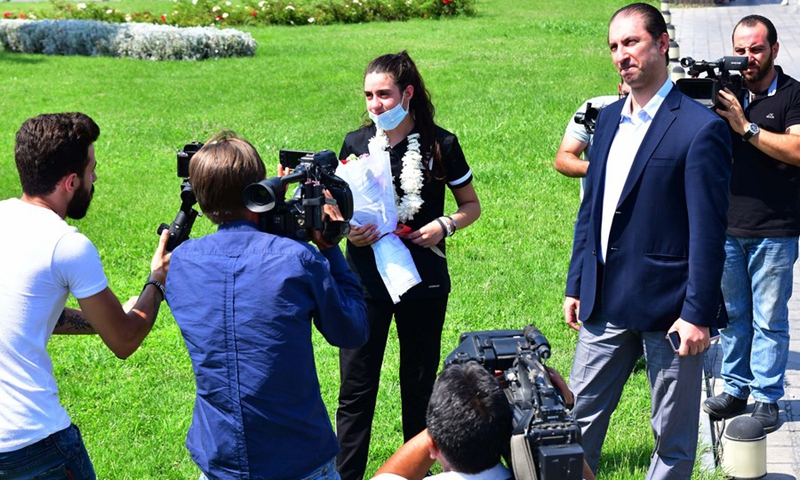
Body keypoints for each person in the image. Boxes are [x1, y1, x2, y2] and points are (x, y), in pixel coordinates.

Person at [562, 4, 732, 479]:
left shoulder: (701, 129)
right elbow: (591, 209)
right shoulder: (609, 119)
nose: (621, 55)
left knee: (673, 442)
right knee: (574, 426)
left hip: (670, 312)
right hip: (605, 303)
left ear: (662, 44)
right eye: (614, 46)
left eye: (632, 42)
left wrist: (697, 314)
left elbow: (709, 232)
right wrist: (577, 281)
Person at [165, 131, 368, 480]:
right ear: (257, 192)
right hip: (298, 458)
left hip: (219, 459)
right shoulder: (296, 260)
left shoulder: (180, 263)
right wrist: (331, 249)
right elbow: (352, 330)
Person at [336, 51, 481, 480]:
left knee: (419, 387)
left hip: (422, 281)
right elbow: (338, 208)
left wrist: (443, 226)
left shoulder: (442, 144)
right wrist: (347, 229)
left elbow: (470, 206)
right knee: (355, 390)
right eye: (369, 95)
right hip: (365, 280)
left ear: (408, 94)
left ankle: (415, 475)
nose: (375, 104)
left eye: (384, 94)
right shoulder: (355, 143)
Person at [0, 112, 170, 479]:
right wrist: (158, 279)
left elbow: (28, 309)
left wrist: (98, 320)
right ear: (71, 182)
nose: (96, 178)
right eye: (92, 169)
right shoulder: (66, 245)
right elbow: (125, 339)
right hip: (32, 446)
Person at [702, 14, 800, 434]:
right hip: (727, 226)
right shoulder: (725, 91)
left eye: (756, 49)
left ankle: (766, 397)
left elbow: (797, 150)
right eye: (740, 50)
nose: (747, 59)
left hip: (775, 228)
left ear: (774, 50)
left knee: (769, 318)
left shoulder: (793, 95)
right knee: (735, 317)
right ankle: (737, 388)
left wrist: (746, 126)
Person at [554, 79, 630, 199]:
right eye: (626, 95)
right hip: (597, 210)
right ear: (619, 88)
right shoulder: (594, 110)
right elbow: (563, 158)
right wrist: (599, 168)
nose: (631, 104)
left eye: (637, 95)